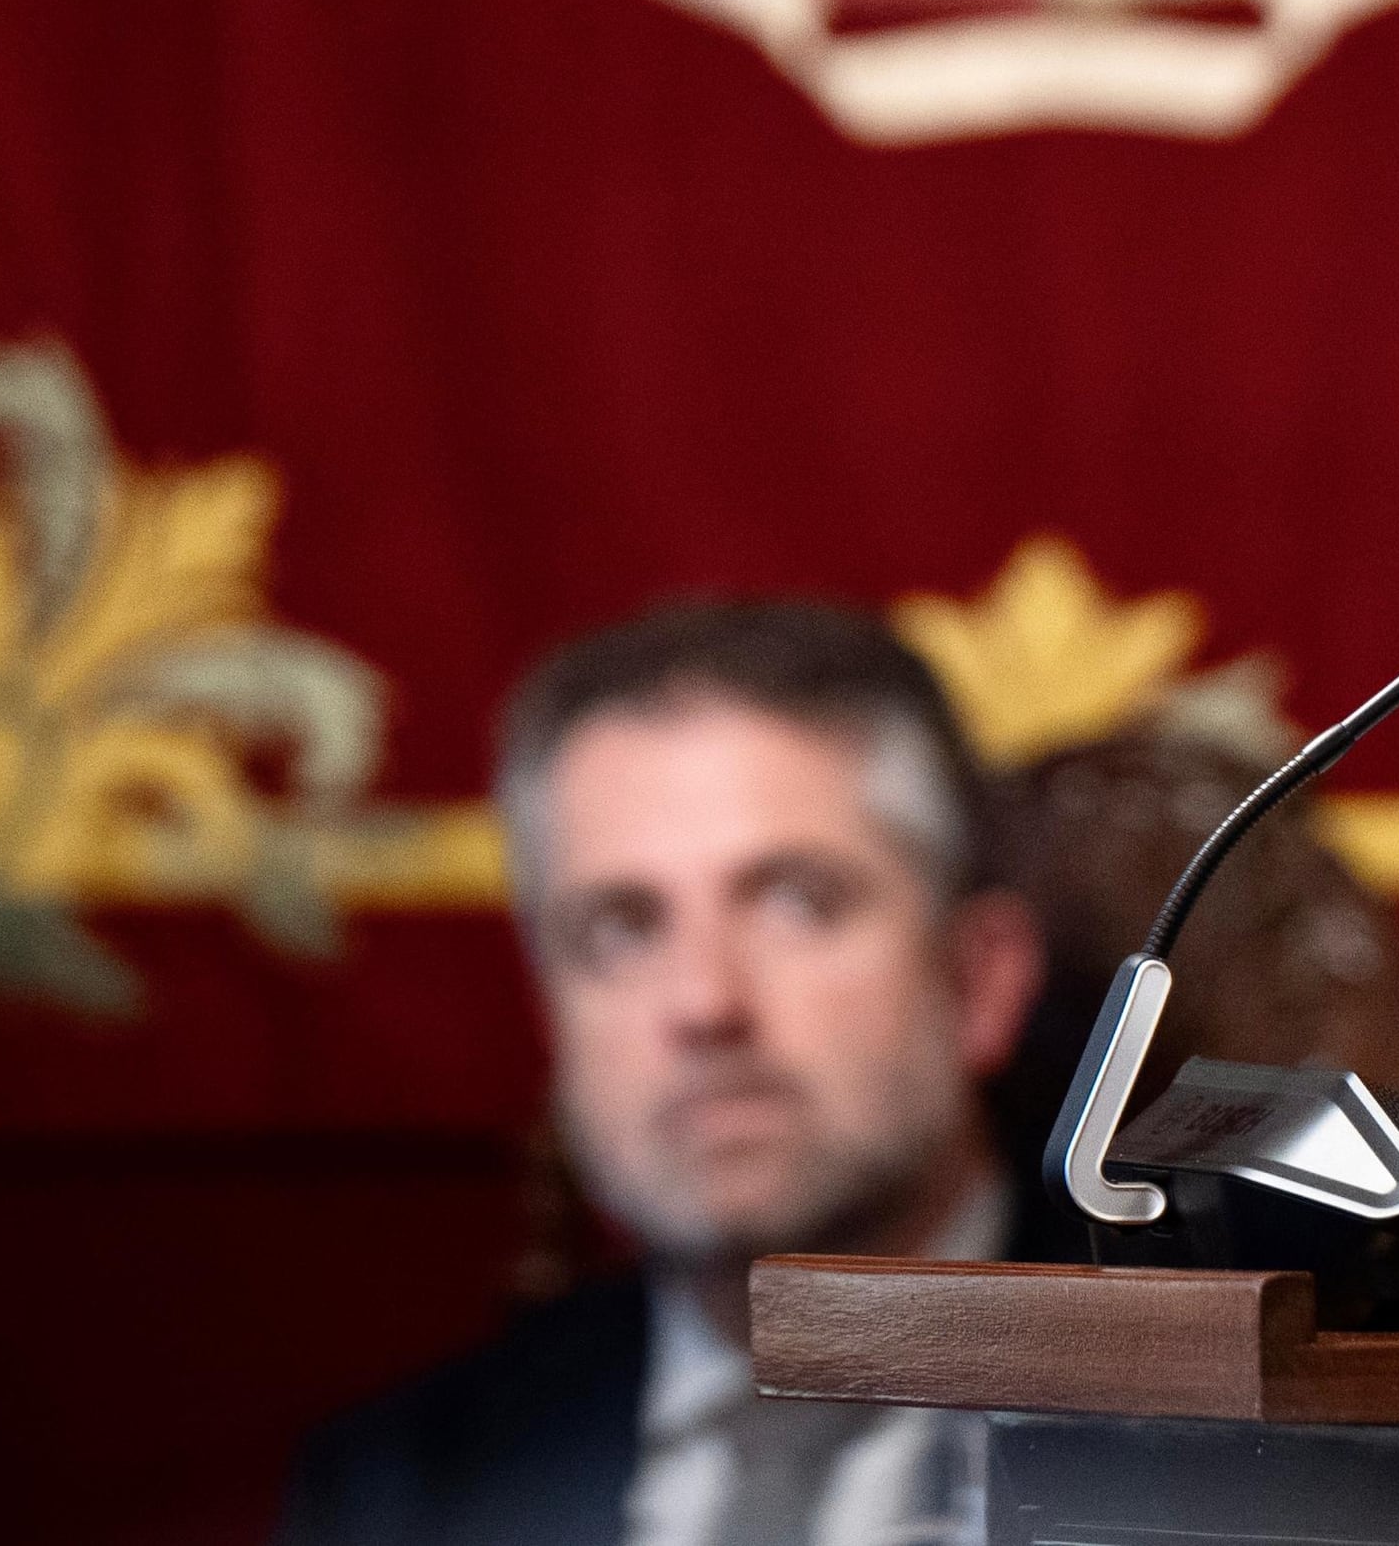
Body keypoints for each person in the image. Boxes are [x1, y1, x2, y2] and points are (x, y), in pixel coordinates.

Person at [282, 601, 1060, 1546]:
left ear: (978, 979)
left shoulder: (1246, 1432)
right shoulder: (396, 1494)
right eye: (620, 927)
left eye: (797, 902)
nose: (702, 1002)